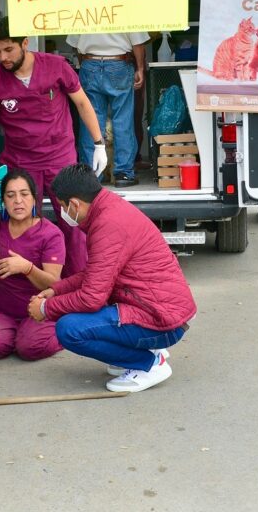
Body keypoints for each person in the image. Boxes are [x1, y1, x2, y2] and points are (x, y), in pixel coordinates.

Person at [27, 164, 196, 393]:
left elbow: (91, 298)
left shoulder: (108, 225)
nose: (64, 212)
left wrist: (46, 308)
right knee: (81, 316)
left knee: (69, 329)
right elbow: (97, 272)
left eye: (64, 206)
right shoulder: (108, 209)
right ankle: (136, 356)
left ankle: (149, 364)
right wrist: (57, 290)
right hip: (161, 309)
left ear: (75, 204)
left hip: (163, 319)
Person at [0, 17, 107, 276]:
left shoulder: (56, 66)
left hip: (60, 159)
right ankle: (32, 288)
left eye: (8, 50)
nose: (2, 57)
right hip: (22, 163)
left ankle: (79, 285)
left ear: (25, 43)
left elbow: (83, 104)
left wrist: (99, 143)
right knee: (23, 224)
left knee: (73, 224)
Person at [0, 170, 65, 361]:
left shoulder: (51, 234)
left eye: (24, 194)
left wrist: (27, 268)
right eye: (11, 195)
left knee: (28, 348)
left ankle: (62, 333)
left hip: (38, 309)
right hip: (2, 309)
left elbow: (53, 284)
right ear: (3, 201)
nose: (18, 200)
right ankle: (16, 333)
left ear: (34, 199)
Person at [65, 32, 150, 187]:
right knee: (123, 119)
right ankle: (123, 174)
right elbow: (138, 42)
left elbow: (74, 43)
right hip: (119, 64)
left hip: (90, 64)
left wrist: (85, 61)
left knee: (90, 121)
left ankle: (91, 175)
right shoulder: (126, 7)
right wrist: (140, 68)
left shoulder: (83, 9)